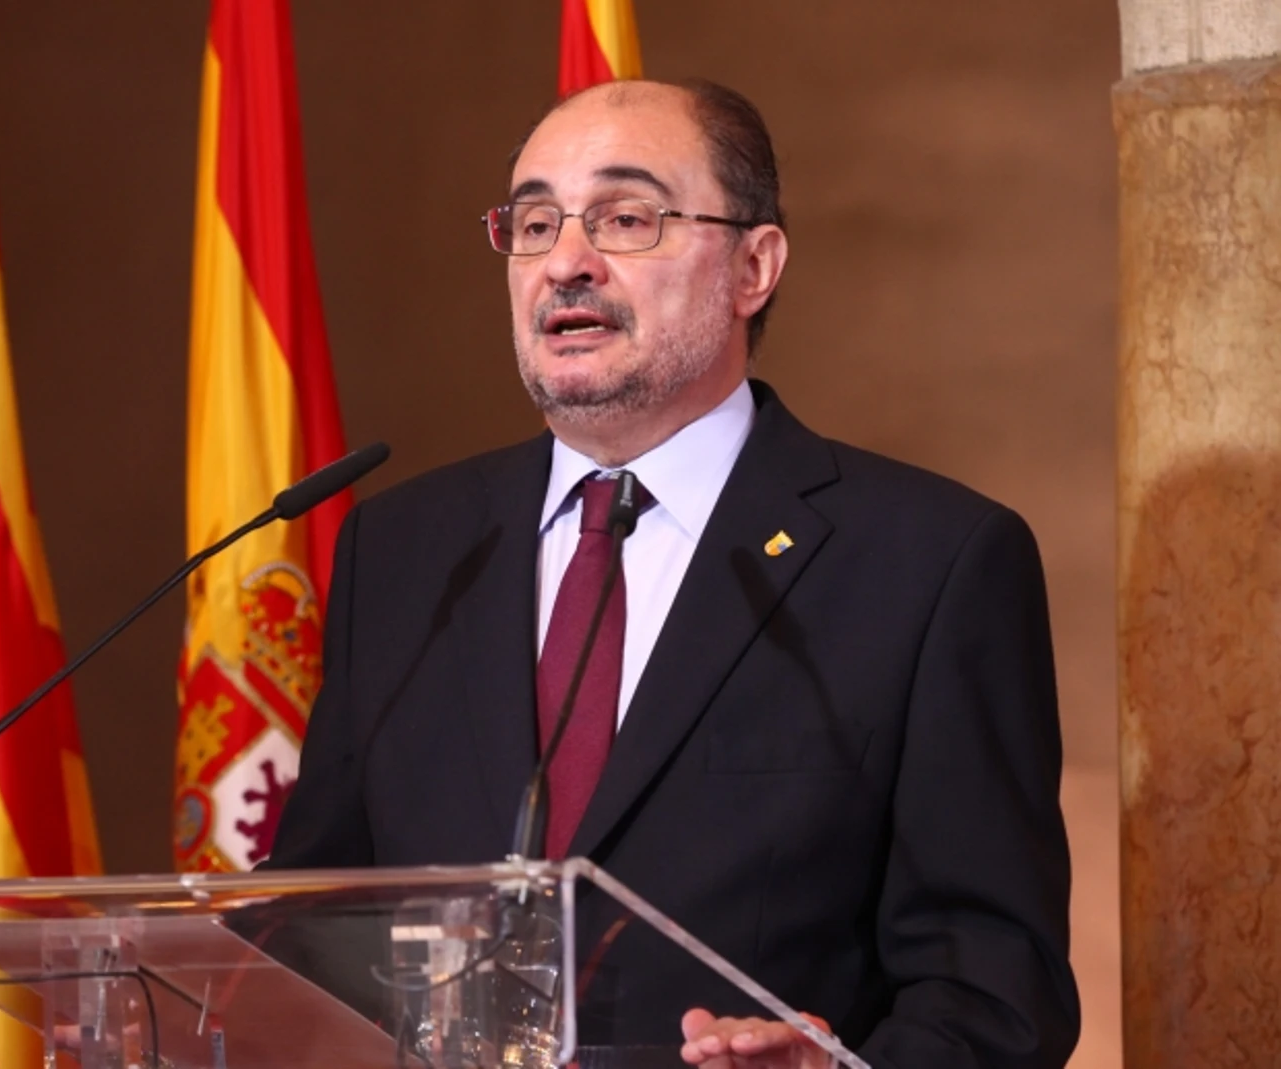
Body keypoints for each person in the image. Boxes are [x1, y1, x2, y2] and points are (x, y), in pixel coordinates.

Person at [265, 79, 1079, 1069]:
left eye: (625, 218)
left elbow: (996, 988)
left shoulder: (929, 562)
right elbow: (307, 928)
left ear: (753, 265)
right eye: (531, 224)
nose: (564, 262)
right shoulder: (404, 551)